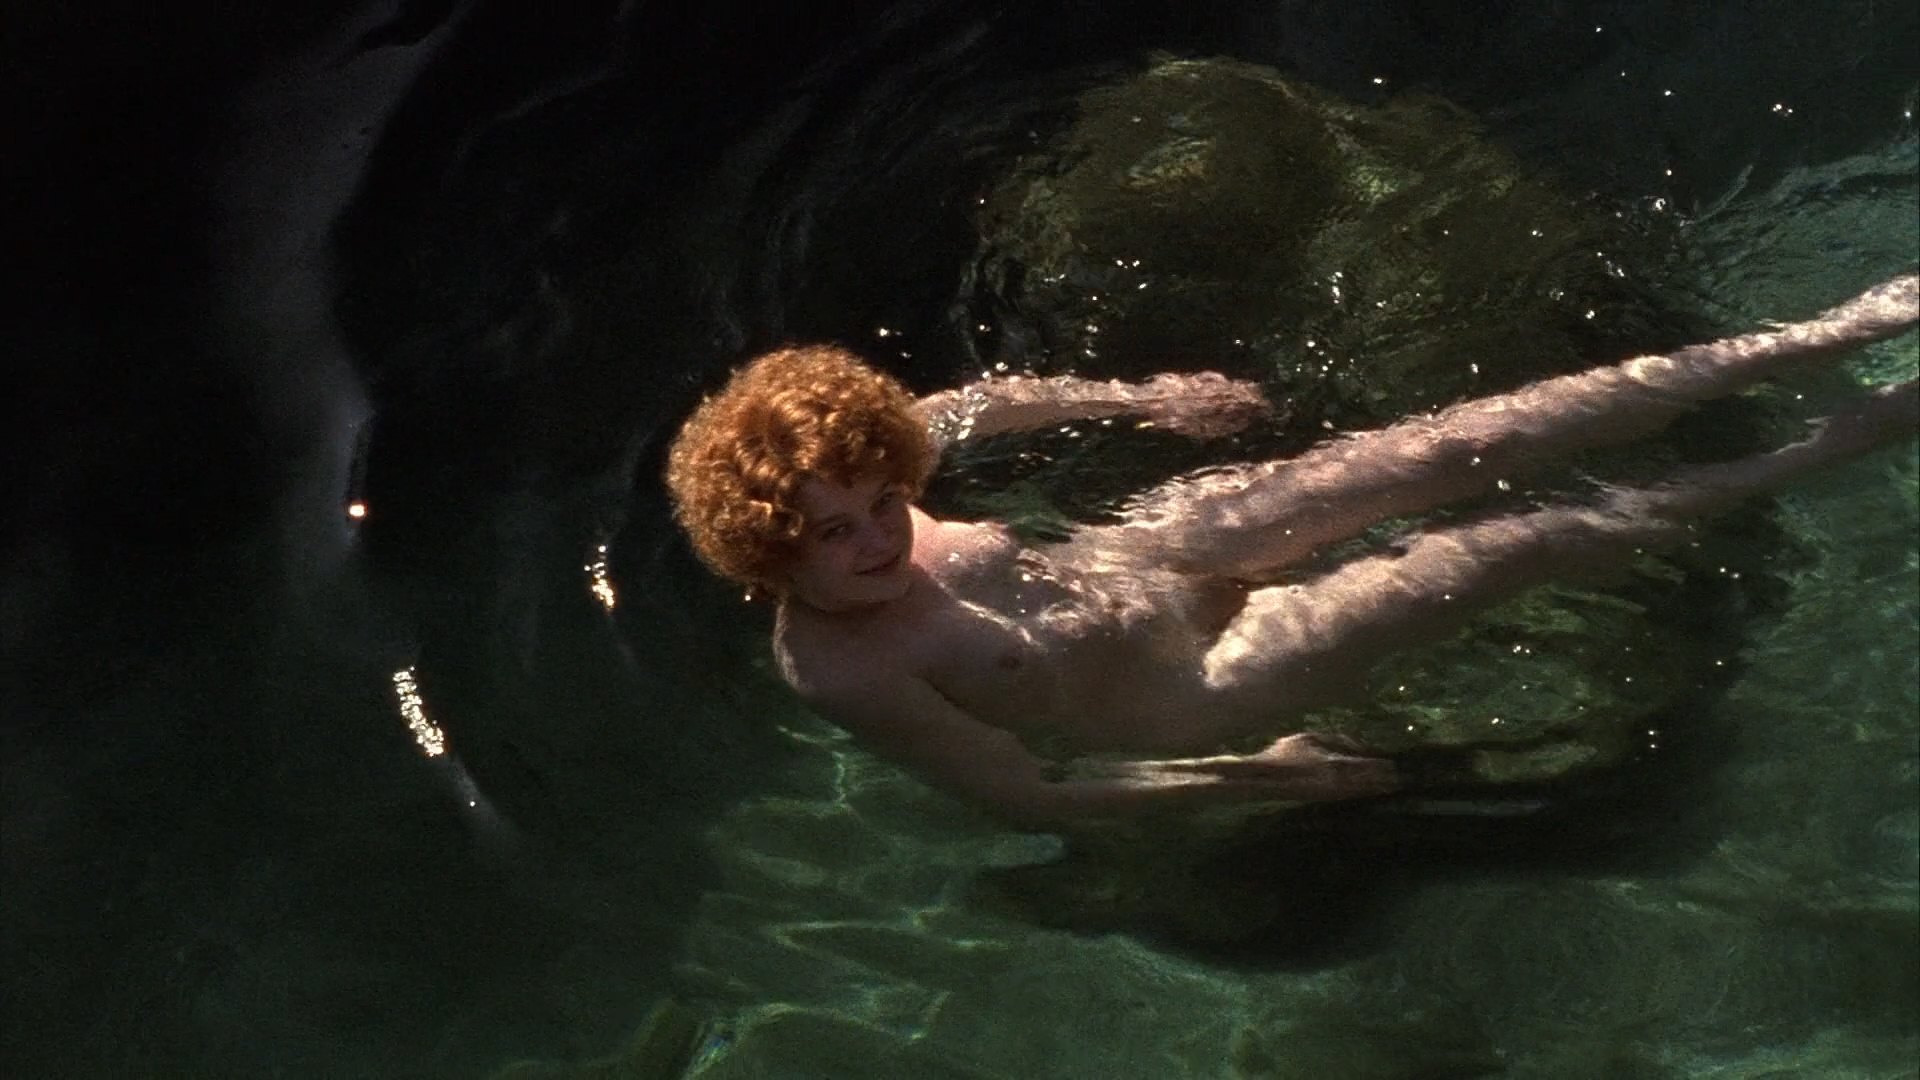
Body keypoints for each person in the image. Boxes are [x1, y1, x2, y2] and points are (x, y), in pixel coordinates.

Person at [664, 275, 1919, 830]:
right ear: (770, 552)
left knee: (1463, 441)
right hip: (1204, 686)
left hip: (1138, 559)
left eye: (885, 502)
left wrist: (1145, 400)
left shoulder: (874, 456)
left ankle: (1814, 335)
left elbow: (985, 407)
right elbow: (1026, 794)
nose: (879, 538)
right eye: (836, 534)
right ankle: (1826, 445)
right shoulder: (840, 670)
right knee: (1518, 541)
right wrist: (1254, 777)